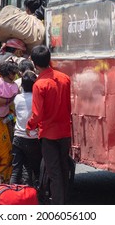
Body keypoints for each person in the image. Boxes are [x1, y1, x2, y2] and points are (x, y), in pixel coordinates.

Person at [26, 45, 71, 205]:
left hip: (49, 134)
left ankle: (58, 206)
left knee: (54, 172)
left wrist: (29, 126)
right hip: (65, 131)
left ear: (34, 63)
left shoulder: (39, 84)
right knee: (64, 169)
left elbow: (37, 114)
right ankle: (64, 201)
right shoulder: (65, 78)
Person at [10, 70, 42, 187]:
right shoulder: (36, 98)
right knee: (36, 169)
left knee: (16, 170)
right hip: (32, 137)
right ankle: (37, 196)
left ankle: (11, 196)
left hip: (18, 137)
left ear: (21, 85)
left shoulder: (17, 98)